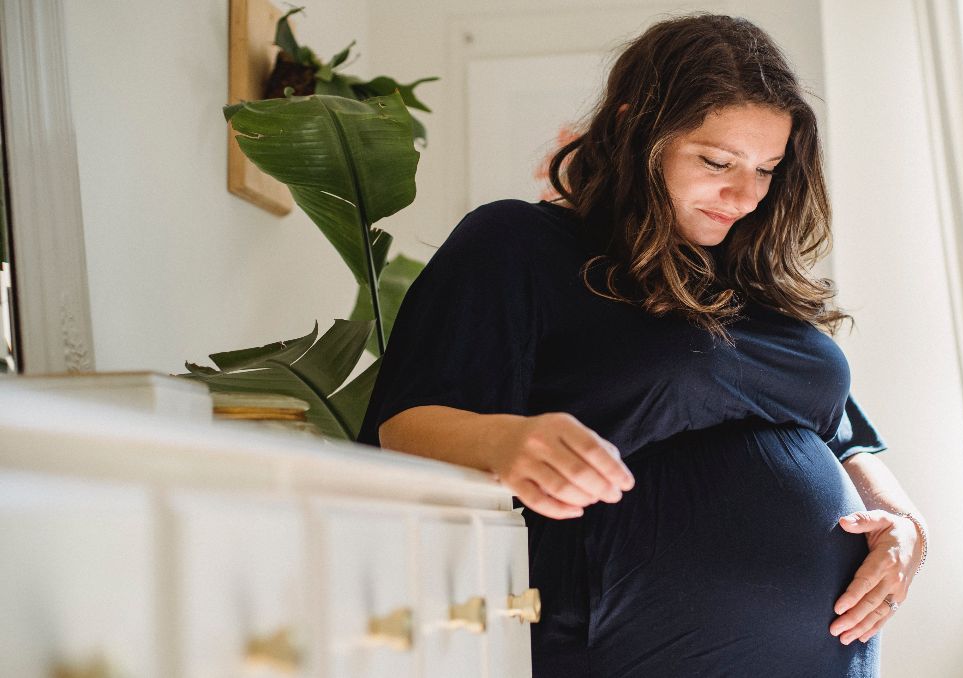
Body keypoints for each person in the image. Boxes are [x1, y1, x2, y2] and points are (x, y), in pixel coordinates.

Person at [357, 13, 927, 678]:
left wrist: (906, 531)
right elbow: (402, 426)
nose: (745, 196)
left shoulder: (755, 281)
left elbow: (846, 438)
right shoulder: (519, 248)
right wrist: (506, 443)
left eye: (767, 169)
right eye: (716, 162)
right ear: (637, 130)